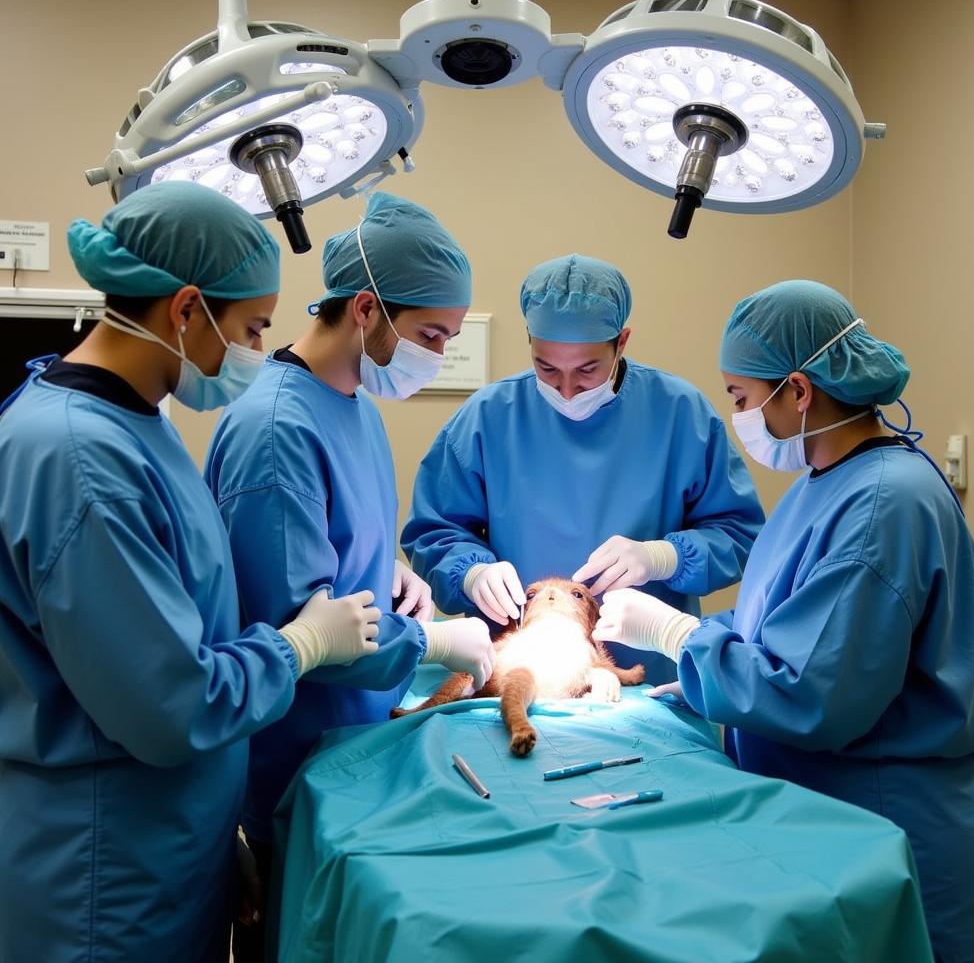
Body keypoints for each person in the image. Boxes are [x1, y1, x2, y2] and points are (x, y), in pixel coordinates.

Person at [0, 182, 382, 963]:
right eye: (252, 326)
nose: (253, 349)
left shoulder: (138, 420)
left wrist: (217, 837)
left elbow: (179, 628)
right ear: (184, 310)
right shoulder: (78, 458)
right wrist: (302, 645)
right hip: (104, 878)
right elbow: (172, 704)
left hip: (169, 843)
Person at [594, 279, 974, 963]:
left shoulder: (884, 502)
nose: (739, 414)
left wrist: (677, 635)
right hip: (841, 820)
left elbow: (814, 693)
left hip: (895, 830)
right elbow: (792, 619)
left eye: (739, 397)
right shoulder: (825, 484)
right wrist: (701, 675)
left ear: (797, 389)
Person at [204, 191, 495, 962]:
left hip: (352, 750)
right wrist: (434, 641)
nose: (440, 350)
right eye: (432, 333)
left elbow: (333, 550)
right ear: (366, 308)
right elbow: (297, 625)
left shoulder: (353, 403)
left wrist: (393, 574)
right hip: (292, 770)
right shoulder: (275, 430)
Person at [402, 254, 764, 685]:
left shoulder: (680, 415)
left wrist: (664, 557)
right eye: (547, 367)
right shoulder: (488, 418)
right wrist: (471, 570)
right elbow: (434, 531)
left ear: (622, 342)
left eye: (588, 369)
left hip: (642, 672)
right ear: (530, 342)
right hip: (519, 668)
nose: (567, 389)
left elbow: (738, 533)